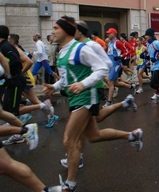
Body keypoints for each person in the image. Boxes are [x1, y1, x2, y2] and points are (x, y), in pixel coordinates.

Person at [43, 16, 143, 192]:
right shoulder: (62, 51)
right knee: (94, 135)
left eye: (56, 28)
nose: (52, 32)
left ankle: (70, 185)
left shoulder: (82, 48)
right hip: (75, 97)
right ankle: (132, 136)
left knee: (69, 139)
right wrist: (55, 86)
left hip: (86, 96)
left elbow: (103, 67)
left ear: (67, 30)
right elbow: (66, 78)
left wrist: (84, 83)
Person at [58, 20, 137, 169]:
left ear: (80, 31)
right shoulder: (74, 47)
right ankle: (126, 108)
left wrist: (87, 79)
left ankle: (75, 163)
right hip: (81, 90)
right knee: (94, 127)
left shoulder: (92, 45)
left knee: (77, 132)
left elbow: (105, 64)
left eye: (73, 29)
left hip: (90, 88)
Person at [103, 28, 136, 108]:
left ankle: (109, 102)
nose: (107, 34)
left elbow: (126, 51)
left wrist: (120, 56)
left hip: (116, 65)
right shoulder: (110, 42)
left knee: (110, 82)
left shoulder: (117, 43)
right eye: (107, 33)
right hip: (111, 65)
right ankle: (131, 86)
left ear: (113, 34)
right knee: (115, 83)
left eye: (109, 33)